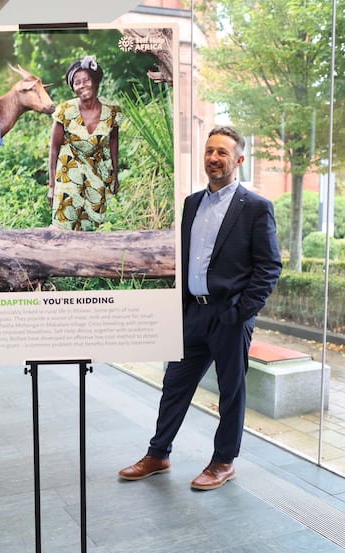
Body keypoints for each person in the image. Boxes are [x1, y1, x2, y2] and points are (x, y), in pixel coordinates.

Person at [118, 126, 282, 490]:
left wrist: (241, 313)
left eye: (222, 152)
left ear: (238, 160)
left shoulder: (255, 208)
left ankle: (224, 462)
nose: (214, 158)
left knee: (231, 392)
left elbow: (270, 267)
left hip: (229, 315)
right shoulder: (192, 203)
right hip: (193, 314)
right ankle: (158, 454)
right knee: (174, 385)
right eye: (209, 151)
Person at [48, 55, 122, 231]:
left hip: (97, 169)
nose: (82, 86)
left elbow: (113, 143)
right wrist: (52, 185)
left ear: (95, 81)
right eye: (77, 83)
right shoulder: (65, 111)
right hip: (69, 167)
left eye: (86, 80)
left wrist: (115, 174)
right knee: (65, 220)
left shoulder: (112, 112)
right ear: (73, 88)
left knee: (92, 225)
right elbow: (54, 149)